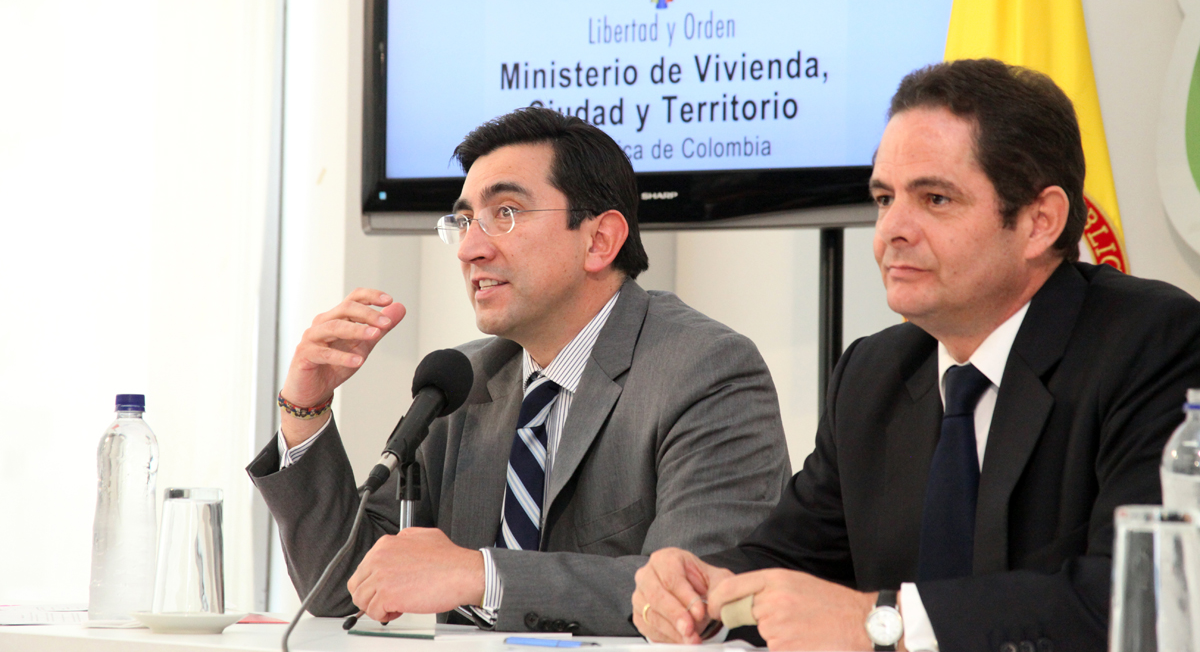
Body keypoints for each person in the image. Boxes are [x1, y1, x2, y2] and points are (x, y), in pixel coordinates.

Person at [632, 59, 1200, 651]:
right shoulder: (873, 374)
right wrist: (702, 586)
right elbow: (788, 557)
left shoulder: (1152, 344)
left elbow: (1140, 596)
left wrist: (880, 624)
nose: (891, 231)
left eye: (934, 198)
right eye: (883, 198)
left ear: (1039, 222)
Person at [248, 108, 790, 635]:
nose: (470, 248)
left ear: (599, 240)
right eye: (463, 222)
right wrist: (307, 411)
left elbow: (701, 597)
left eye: (504, 213)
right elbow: (345, 588)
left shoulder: (705, 370)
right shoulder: (463, 382)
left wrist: (481, 575)